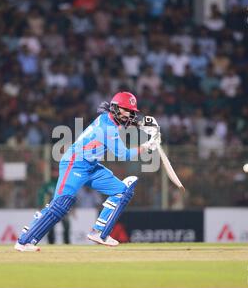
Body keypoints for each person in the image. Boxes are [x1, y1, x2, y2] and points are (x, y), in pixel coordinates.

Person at [15, 91, 161, 251]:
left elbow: (124, 121)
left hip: (91, 166)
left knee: (122, 191)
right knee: (61, 205)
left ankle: (99, 232)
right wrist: (147, 146)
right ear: (116, 109)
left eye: (132, 112)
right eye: (127, 111)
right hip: (75, 163)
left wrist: (142, 124)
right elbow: (123, 154)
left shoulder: (108, 118)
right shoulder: (108, 128)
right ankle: (24, 241)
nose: (130, 115)